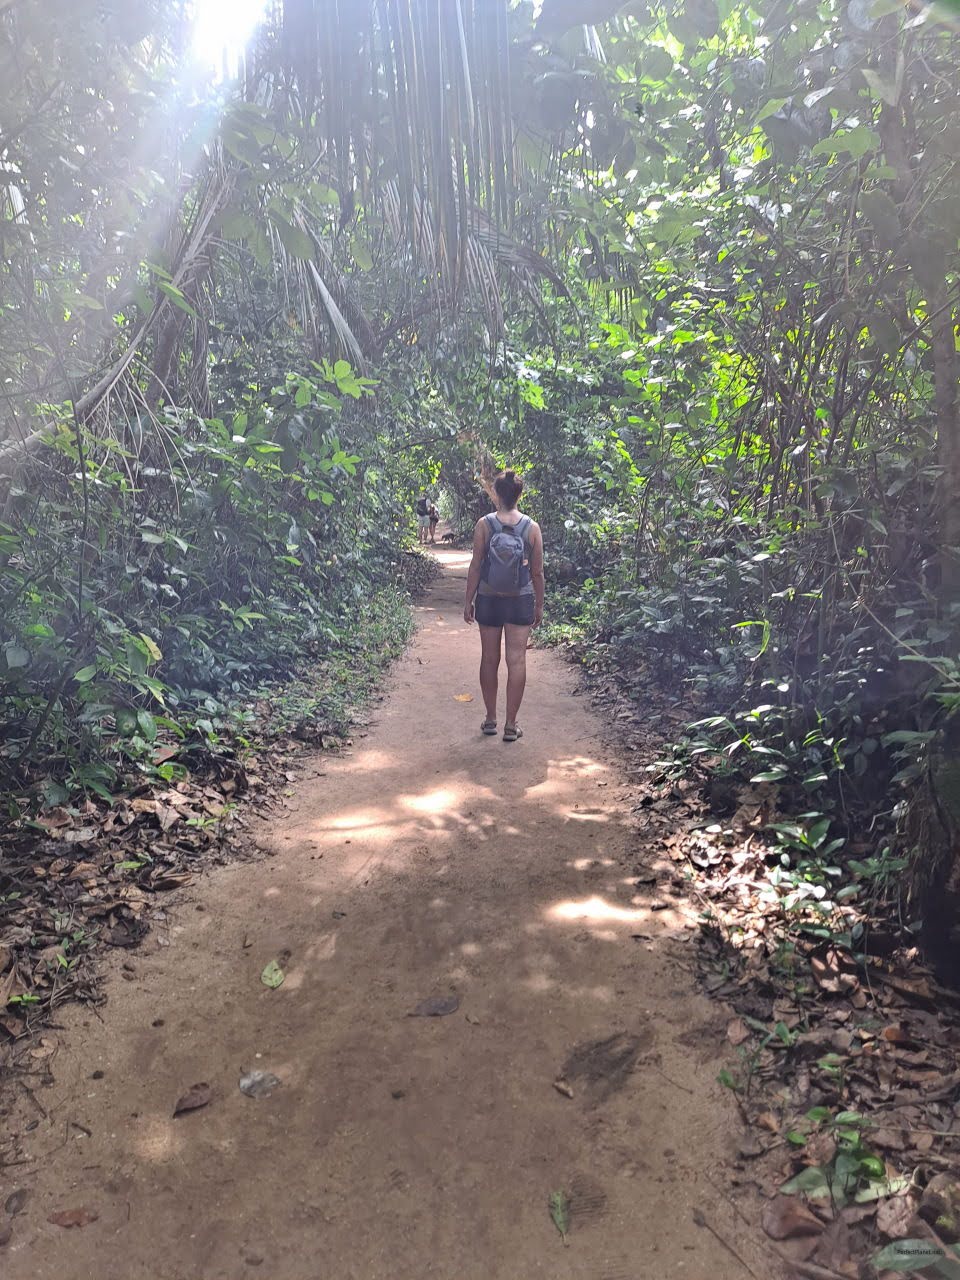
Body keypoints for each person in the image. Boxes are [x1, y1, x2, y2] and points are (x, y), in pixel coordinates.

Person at [463, 469, 544, 742]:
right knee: (517, 659)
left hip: (488, 597)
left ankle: (490, 719)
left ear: (496, 494)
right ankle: (511, 724)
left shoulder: (484, 525)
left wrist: (468, 601)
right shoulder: (531, 528)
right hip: (520, 599)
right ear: (520, 495)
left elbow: (476, 565)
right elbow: (537, 572)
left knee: (489, 658)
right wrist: (539, 605)